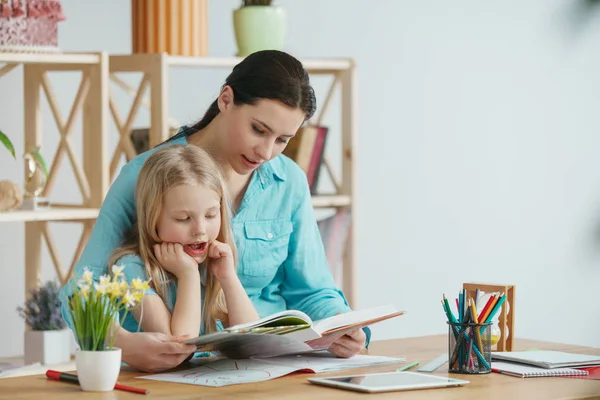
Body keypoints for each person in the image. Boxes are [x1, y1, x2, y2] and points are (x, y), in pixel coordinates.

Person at [59, 50, 368, 373]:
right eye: (258, 130)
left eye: (283, 140)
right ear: (225, 99)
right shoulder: (144, 175)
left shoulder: (288, 180)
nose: (266, 152)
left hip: (265, 369)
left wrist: (341, 326)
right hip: (170, 374)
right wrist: (121, 342)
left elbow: (311, 289)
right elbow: (83, 289)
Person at [109, 144, 259, 339]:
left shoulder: (212, 261)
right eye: (183, 219)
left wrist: (228, 277)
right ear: (152, 219)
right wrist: (188, 275)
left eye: (211, 215)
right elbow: (180, 345)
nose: (200, 230)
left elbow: (253, 338)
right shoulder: (131, 270)